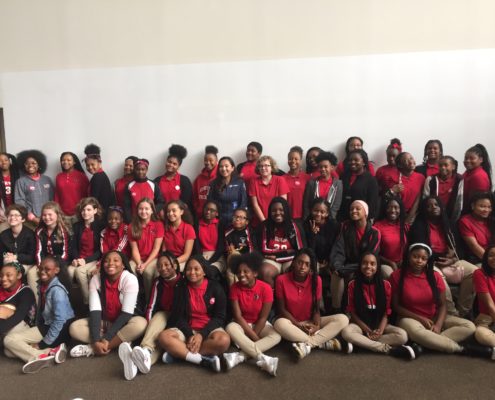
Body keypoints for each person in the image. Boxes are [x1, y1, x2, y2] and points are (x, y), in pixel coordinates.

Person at [69, 251, 147, 381]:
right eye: (106, 260)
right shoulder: (96, 279)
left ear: (123, 265)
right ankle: (118, 342)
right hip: (105, 322)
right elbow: (95, 311)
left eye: (116, 260)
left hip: (125, 323)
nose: (111, 263)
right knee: (74, 328)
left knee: (141, 324)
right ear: (102, 264)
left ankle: (96, 349)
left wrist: (106, 339)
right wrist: (95, 339)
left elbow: (126, 314)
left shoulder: (129, 279)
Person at [391, 243, 475, 355]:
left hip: (433, 317)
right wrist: (420, 318)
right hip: (409, 319)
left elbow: (443, 305)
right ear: (408, 256)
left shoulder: (435, 276)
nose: (419, 261)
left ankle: (426, 344)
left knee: (470, 327)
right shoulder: (397, 276)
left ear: (427, 260)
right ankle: (461, 349)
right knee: (418, 333)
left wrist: (439, 325)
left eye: (423, 258)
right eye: (415, 256)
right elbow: (396, 306)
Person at [158, 255, 230, 372]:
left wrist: (201, 335)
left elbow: (220, 317)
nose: (192, 272)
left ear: (204, 271)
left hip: (208, 329)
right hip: (187, 329)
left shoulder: (216, 288)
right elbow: (178, 317)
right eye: (188, 269)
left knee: (224, 340)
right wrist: (190, 334)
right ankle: (202, 360)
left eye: (196, 269)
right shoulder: (180, 287)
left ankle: (179, 354)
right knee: (164, 337)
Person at [273, 249, 349, 359]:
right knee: (279, 324)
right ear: (294, 262)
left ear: (310, 268)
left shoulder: (316, 280)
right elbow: (282, 310)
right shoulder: (281, 280)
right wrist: (299, 325)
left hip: (309, 322)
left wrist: (316, 325)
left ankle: (308, 344)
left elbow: (316, 309)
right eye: (300, 262)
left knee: (343, 319)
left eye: (307, 264)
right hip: (291, 323)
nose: (303, 267)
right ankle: (323, 343)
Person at [409, 196, 479, 317]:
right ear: (424, 209)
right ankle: (451, 313)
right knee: (439, 278)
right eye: (429, 206)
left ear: (441, 207)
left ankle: (463, 312)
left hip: (451, 261)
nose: (433, 208)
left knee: (475, 272)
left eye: (436, 205)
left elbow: (460, 248)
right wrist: (443, 258)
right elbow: (420, 250)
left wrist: (453, 258)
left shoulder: (449, 224)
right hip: (430, 262)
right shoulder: (418, 225)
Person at [4, 256, 74, 373]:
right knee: (8, 351)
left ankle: (40, 355)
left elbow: (59, 321)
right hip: (48, 326)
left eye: (47, 269)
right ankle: (50, 353)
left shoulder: (57, 290)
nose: (42, 271)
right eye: (40, 268)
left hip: (58, 330)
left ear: (56, 270)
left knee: (9, 340)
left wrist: (42, 343)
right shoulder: (43, 285)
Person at [341, 253, 412, 358]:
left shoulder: (386, 285)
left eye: (372, 264)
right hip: (361, 326)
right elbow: (352, 312)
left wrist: (380, 330)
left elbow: (386, 312)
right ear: (360, 265)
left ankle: (361, 343)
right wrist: (367, 330)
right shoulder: (352, 284)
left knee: (403, 336)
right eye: (364, 263)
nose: (368, 266)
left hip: (380, 324)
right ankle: (387, 349)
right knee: (346, 332)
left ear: (377, 266)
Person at [122, 252, 182, 379]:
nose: (163, 268)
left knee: (161, 339)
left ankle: (135, 362)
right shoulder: (158, 282)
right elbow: (151, 306)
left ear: (175, 265)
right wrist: (149, 326)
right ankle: (145, 353)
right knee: (159, 316)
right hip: (162, 316)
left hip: (179, 320)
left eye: (167, 264)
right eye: (160, 266)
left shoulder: (183, 281)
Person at [224, 252, 281, 376]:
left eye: (246, 271)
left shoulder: (265, 288)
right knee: (230, 327)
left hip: (259, 323)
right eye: (239, 272)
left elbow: (263, 317)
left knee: (276, 336)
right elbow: (238, 317)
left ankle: (240, 356)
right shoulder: (234, 288)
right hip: (241, 324)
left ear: (255, 273)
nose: (241, 275)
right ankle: (264, 359)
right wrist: (255, 338)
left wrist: (253, 336)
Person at [330, 200, 380, 312]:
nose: (353, 211)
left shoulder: (374, 232)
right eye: (351, 209)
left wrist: (347, 269)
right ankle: (336, 309)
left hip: (367, 266)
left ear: (366, 213)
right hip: (346, 264)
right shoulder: (345, 227)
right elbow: (339, 249)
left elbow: (370, 258)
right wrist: (338, 267)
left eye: (358, 208)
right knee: (336, 274)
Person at [257, 197, 306, 287]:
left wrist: (278, 257)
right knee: (265, 272)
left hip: (290, 259)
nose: (277, 213)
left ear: (286, 211)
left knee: (295, 270)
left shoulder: (295, 226)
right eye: (274, 210)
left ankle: (291, 298)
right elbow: (263, 250)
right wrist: (287, 252)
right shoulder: (264, 226)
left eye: (281, 210)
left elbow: (301, 250)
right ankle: (274, 298)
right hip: (271, 259)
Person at [30, 202, 70, 303]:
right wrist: (40, 265)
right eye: (44, 215)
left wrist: (55, 265)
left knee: (61, 274)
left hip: (60, 261)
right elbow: (38, 251)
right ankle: (36, 304)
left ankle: (64, 303)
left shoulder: (63, 230)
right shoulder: (39, 231)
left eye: (50, 215)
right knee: (31, 273)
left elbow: (65, 253)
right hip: (44, 260)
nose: (47, 217)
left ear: (57, 215)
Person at [69, 197, 105, 305]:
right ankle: (68, 302)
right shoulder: (77, 226)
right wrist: (75, 259)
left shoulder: (100, 226)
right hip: (79, 258)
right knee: (69, 272)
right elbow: (74, 246)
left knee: (80, 272)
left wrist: (86, 260)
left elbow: (101, 250)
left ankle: (87, 303)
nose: (85, 212)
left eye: (88, 210)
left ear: (95, 210)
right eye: (83, 210)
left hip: (94, 258)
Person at [129, 198, 164, 299]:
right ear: (137, 210)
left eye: (146, 209)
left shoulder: (158, 225)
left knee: (148, 272)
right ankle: (133, 301)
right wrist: (139, 263)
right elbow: (134, 249)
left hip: (153, 258)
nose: (143, 211)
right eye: (141, 209)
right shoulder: (132, 226)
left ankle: (149, 300)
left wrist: (145, 264)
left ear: (152, 210)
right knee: (129, 271)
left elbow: (156, 249)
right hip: (137, 258)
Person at [0, 205, 37, 293]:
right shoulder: (3, 235)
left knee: (12, 269)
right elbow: (1, 254)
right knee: (9, 264)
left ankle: (17, 296)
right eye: (10, 215)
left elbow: (31, 257)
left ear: (23, 219)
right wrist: (7, 256)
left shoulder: (30, 234)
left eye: (16, 215)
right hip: (9, 263)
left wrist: (16, 257)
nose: (12, 217)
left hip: (27, 264)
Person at [14, 150, 54, 227]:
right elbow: (19, 201)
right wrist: (31, 217)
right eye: (27, 163)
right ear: (23, 165)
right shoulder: (20, 182)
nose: (30, 165)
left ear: (39, 165)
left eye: (33, 163)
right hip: (31, 220)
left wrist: (50, 215)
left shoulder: (47, 179)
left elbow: (52, 199)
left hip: (49, 217)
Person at [248, 155, 289, 227]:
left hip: (277, 220)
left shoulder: (280, 180)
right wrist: (264, 222)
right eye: (261, 166)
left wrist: (274, 221)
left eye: (267, 165)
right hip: (259, 221)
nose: (263, 168)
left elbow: (283, 204)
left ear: (272, 167)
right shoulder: (253, 181)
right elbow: (255, 205)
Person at [0, 262, 36, 343]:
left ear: (19, 275)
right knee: (8, 352)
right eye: (1, 275)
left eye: (8, 275)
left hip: (23, 327)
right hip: (6, 328)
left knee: (2, 309)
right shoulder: (1, 290)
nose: (4, 278)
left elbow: (19, 316)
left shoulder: (26, 292)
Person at [338, 149, 379, 221]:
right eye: (350, 160)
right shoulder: (343, 176)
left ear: (364, 162)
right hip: (343, 218)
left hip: (361, 219)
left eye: (356, 160)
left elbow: (372, 203)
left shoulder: (371, 180)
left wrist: (367, 219)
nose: (352, 162)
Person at [374, 196, 408, 278]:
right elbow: (374, 253)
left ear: (400, 210)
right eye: (390, 207)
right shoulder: (378, 226)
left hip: (402, 262)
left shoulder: (404, 226)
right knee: (392, 276)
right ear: (385, 209)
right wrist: (390, 263)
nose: (393, 210)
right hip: (385, 263)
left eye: (396, 208)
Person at [154, 144, 193, 215]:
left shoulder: (184, 181)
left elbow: (186, 203)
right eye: (169, 162)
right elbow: (155, 201)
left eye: (174, 164)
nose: (171, 165)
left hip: (178, 217)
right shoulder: (157, 180)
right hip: (161, 216)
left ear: (178, 166)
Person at [303, 151, 342, 220]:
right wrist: (308, 220)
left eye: (325, 167)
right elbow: (306, 204)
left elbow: (336, 206)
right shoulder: (311, 183)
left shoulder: (338, 184)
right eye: (320, 167)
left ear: (332, 167)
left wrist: (329, 221)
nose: (323, 169)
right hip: (312, 220)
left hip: (329, 220)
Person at [208, 156, 248, 226]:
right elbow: (210, 202)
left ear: (232, 168)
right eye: (221, 166)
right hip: (218, 221)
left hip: (235, 222)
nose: (223, 169)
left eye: (226, 166)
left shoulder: (240, 183)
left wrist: (238, 219)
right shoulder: (213, 183)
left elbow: (243, 203)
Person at [387, 152, 425, 224]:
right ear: (400, 165)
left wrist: (408, 219)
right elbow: (387, 199)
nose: (411, 161)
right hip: (396, 215)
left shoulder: (421, 178)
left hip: (414, 216)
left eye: (411, 158)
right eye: (406, 160)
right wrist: (392, 191)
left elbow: (418, 199)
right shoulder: (393, 178)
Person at [423, 156, 463, 223]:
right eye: (440, 165)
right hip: (433, 216)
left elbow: (459, 202)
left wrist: (454, 220)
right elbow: (425, 199)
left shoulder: (459, 180)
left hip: (450, 216)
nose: (443, 168)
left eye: (446, 165)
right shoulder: (430, 179)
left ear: (453, 167)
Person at [123, 158, 164, 223]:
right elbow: (126, 205)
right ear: (134, 170)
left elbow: (161, 202)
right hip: (135, 221)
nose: (140, 172)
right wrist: (129, 220)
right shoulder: (129, 185)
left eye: (143, 169)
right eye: (138, 169)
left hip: (150, 220)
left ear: (147, 170)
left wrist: (152, 212)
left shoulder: (153, 184)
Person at [458, 192, 495, 264]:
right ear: (472, 206)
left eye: (489, 207)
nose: (486, 210)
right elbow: (474, 247)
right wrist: (490, 262)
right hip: (480, 260)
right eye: (482, 206)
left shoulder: (491, 220)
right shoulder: (465, 221)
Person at [224, 208, 256, 285]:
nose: (237, 219)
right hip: (231, 261)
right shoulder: (228, 231)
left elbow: (252, 251)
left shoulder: (250, 233)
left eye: (241, 217)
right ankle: (234, 293)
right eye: (235, 217)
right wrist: (228, 249)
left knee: (234, 269)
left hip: (247, 260)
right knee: (230, 271)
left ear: (247, 222)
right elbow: (225, 250)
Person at [54, 151, 89, 221]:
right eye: (63, 160)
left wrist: (84, 211)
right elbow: (57, 195)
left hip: (79, 213)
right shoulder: (59, 176)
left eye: (69, 160)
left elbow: (87, 195)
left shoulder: (82, 176)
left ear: (74, 162)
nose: (65, 162)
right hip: (62, 214)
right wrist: (57, 211)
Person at [473, 245, 495, 352]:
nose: (494, 258)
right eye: (491, 255)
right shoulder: (479, 273)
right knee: (480, 334)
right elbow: (490, 305)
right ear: (486, 258)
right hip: (487, 318)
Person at [162, 200, 196, 271]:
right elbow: (164, 250)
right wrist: (166, 262)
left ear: (181, 212)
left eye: (174, 210)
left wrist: (173, 262)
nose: (170, 213)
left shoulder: (189, 228)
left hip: (182, 260)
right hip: (168, 259)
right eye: (168, 211)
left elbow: (187, 255)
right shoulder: (165, 227)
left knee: (171, 271)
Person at [194, 200, 225, 273]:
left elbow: (221, 248)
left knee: (211, 271)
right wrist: (202, 260)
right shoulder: (197, 225)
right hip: (201, 255)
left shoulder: (220, 225)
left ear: (216, 213)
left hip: (217, 256)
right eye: (206, 209)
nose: (208, 212)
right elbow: (197, 246)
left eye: (212, 210)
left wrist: (209, 262)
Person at [83, 144, 114, 213]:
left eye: (92, 164)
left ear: (99, 163)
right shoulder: (101, 175)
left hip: (99, 215)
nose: (90, 167)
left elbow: (93, 201)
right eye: (88, 165)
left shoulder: (98, 177)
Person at [462, 144, 492, 214]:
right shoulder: (468, 172)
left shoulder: (479, 176)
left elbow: (476, 202)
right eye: (466, 158)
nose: (468, 161)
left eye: (472, 158)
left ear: (481, 160)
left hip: (471, 215)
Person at [284, 146, 311, 220]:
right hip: (286, 216)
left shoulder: (308, 178)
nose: (293, 161)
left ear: (301, 161)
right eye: (290, 159)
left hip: (303, 217)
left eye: (296, 159)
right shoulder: (282, 178)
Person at [192, 145, 219, 217]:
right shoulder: (199, 178)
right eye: (206, 160)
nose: (208, 162)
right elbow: (194, 197)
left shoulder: (221, 177)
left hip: (216, 217)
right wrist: (198, 209)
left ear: (216, 161)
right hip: (201, 216)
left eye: (211, 160)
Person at [0, 153, 19, 230]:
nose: (3, 162)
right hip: (2, 213)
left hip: (16, 211)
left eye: (6, 160)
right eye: (0, 161)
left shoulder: (16, 175)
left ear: (10, 161)